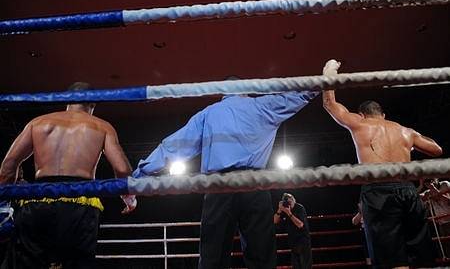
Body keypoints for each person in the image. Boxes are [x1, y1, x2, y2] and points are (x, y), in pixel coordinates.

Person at [133, 81, 318, 269]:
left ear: (223, 92)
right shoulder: (260, 106)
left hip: (219, 187)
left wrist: (139, 175)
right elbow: (298, 96)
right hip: (254, 184)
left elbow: (174, 145)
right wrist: (324, 81)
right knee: (262, 256)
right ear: (244, 91)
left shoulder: (209, 113)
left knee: (212, 257)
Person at [0, 82, 137, 269]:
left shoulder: (38, 123)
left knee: (25, 262)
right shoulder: (102, 126)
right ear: (93, 104)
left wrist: (4, 203)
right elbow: (121, 169)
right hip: (80, 202)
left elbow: (8, 165)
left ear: (65, 99)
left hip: (40, 197)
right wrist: (129, 198)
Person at [322, 59, 443, 269]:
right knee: (419, 253)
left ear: (362, 114)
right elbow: (437, 149)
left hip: (379, 192)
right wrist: (409, 142)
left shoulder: (359, 123)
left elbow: (329, 103)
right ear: (383, 115)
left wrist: (329, 71)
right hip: (408, 191)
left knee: (391, 258)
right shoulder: (405, 131)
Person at [274, 193, 312, 269]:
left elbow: (300, 224)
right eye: (287, 202)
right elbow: (275, 221)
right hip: (293, 243)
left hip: (303, 242)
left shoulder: (300, 208)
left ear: (293, 200)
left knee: (305, 266)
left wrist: (289, 213)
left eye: (290, 201)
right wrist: (279, 210)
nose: (289, 203)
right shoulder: (285, 209)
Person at [421, 179, 450, 259]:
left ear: (436, 178)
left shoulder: (445, 184)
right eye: (427, 182)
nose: (430, 183)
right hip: (442, 222)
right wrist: (420, 186)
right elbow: (418, 197)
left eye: (431, 180)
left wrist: (435, 190)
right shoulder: (428, 192)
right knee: (446, 245)